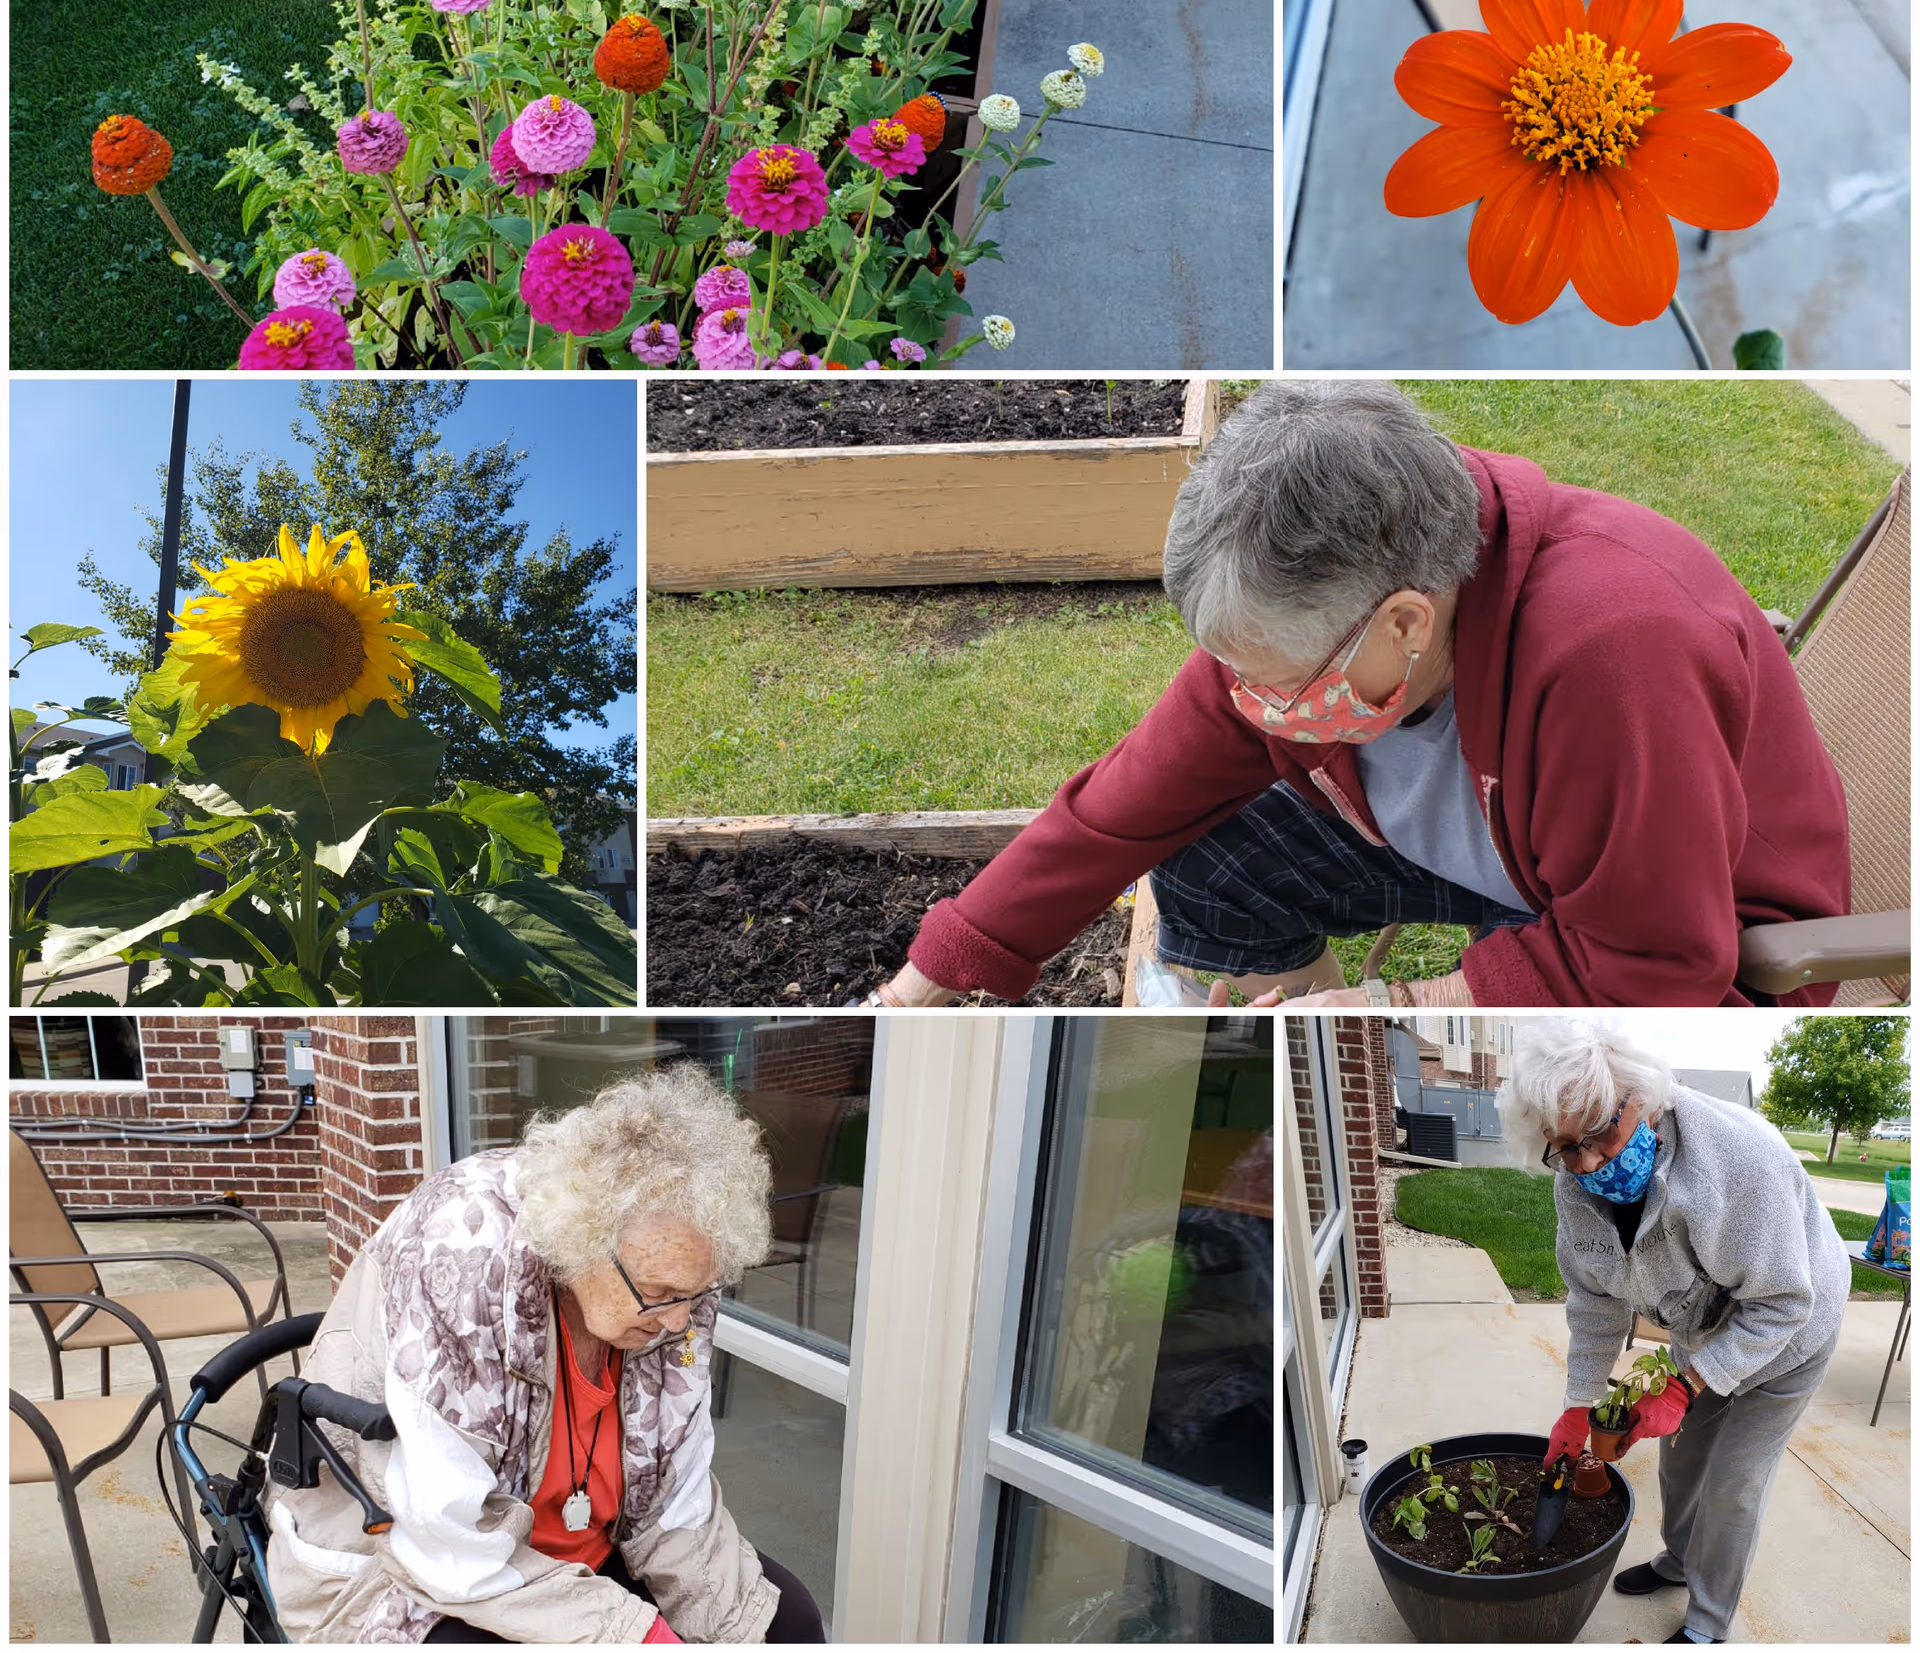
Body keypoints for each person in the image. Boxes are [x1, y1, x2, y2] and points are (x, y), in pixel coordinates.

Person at [868, 380, 1848, 1007]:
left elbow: (1659, 964)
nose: (1250, 705)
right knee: (1206, 855)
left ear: (1408, 622)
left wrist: (1411, 1012)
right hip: (1514, 860)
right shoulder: (1335, 603)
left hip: (1692, 940)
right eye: (1234, 673)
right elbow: (1122, 807)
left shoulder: (1614, 653)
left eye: (1280, 684)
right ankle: (1312, 1008)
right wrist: (930, 976)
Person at [265, 1066, 826, 1644]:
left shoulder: (679, 1275)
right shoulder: (462, 1261)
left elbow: (674, 1501)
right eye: (658, 1295)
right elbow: (446, 1544)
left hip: (593, 1553)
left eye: (697, 1294)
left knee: (786, 1623)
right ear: (579, 1243)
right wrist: (638, 1635)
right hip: (419, 1570)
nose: (680, 1321)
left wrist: (729, 1627)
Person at [1505, 1018, 1849, 1645]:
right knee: (1679, 1460)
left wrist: (1690, 1384)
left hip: (1788, 1332)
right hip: (1699, 1319)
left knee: (1733, 1484)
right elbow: (1594, 1303)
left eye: (1603, 1132)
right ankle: (1678, 1560)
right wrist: (1579, 1408)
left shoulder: (1738, 1162)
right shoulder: (1575, 1184)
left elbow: (1781, 1303)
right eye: (1566, 1146)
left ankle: (1708, 1621)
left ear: (1645, 1097)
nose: (1589, 1161)